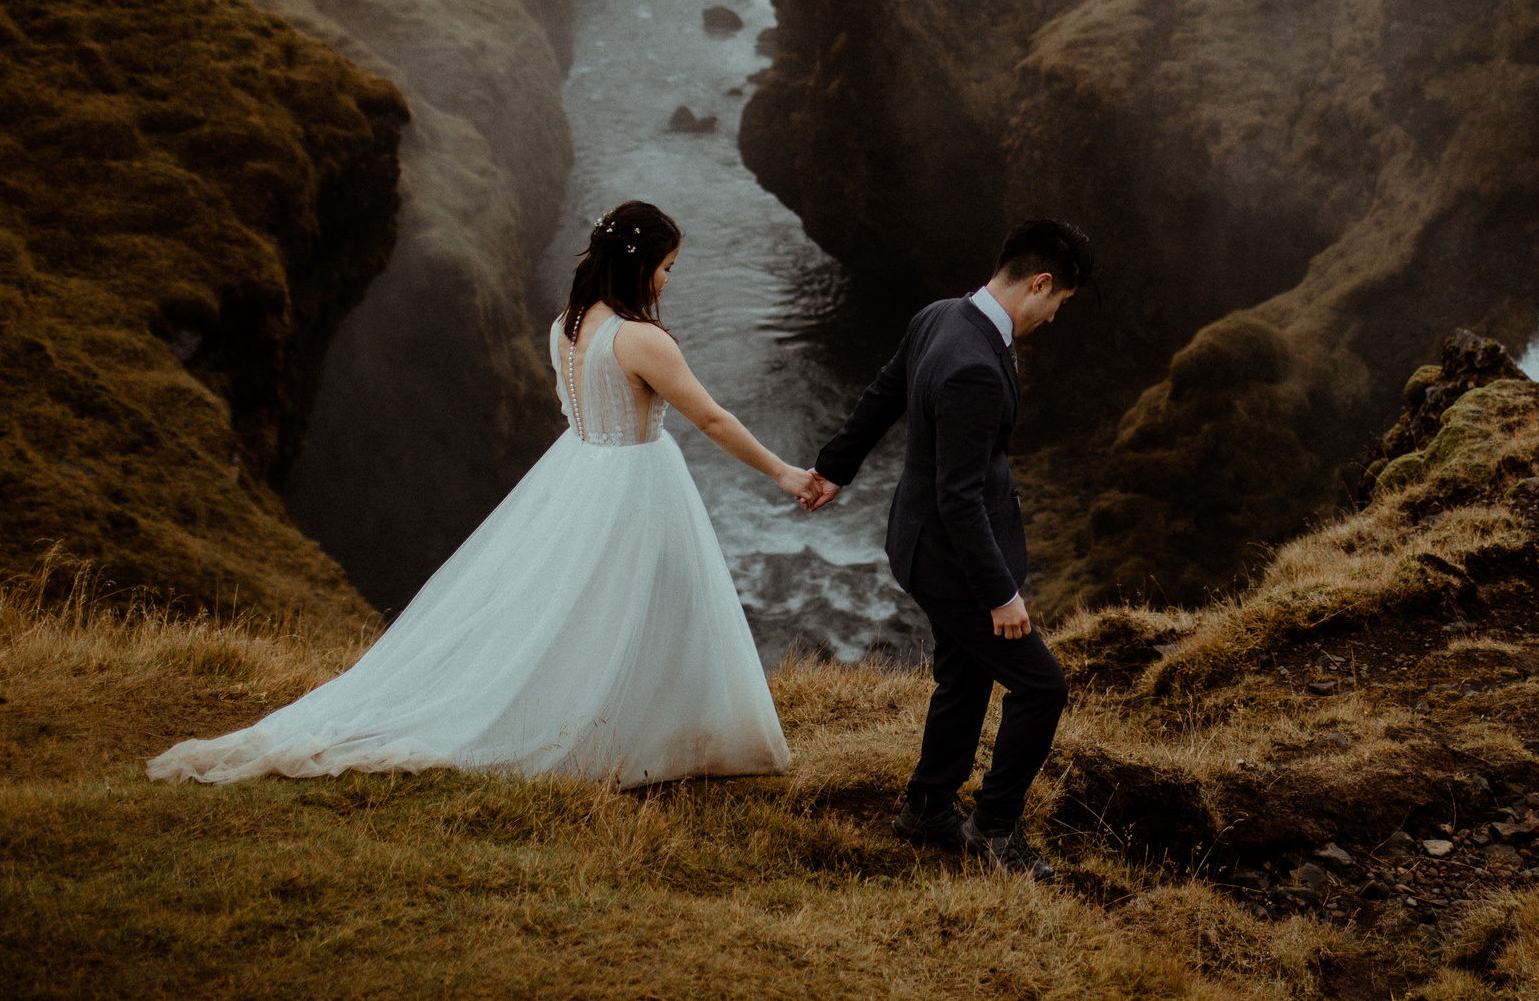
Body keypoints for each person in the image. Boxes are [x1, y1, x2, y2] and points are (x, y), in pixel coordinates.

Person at [150, 201, 821, 787]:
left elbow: (571, 406)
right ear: (641, 264)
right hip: (635, 478)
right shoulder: (641, 339)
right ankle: (649, 728)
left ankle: (630, 721)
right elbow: (711, 419)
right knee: (653, 595)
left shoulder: (567, 325)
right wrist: (785, 472)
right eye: (668, 266)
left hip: (580, 470)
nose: (669, 280)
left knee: (584, 605)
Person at [801, 218, 1092, 881]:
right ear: (1040, 283)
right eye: (1058, 305)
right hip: (952, 560)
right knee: (1042, 685)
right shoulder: (973, 367)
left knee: (964, 674)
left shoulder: (941, 317)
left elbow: (883, 394)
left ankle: (927, 809)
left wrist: (833, 468)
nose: (1051, 320)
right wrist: (1001, 594)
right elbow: (960, 498)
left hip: (919, 539)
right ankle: (994, 828)